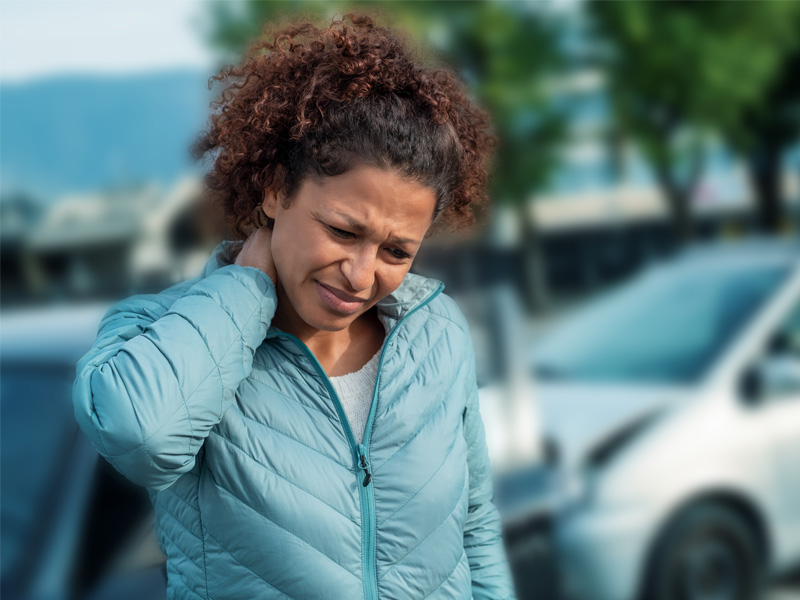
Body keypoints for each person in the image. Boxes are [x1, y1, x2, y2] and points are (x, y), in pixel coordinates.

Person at [73, 12, 515, 600]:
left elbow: (475, 526)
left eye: (396, 250)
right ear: (276, 189)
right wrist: (245, 288)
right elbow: (140, 438)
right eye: (340, 230)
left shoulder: (435, 331)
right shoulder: (159, 332)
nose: (361, 275)